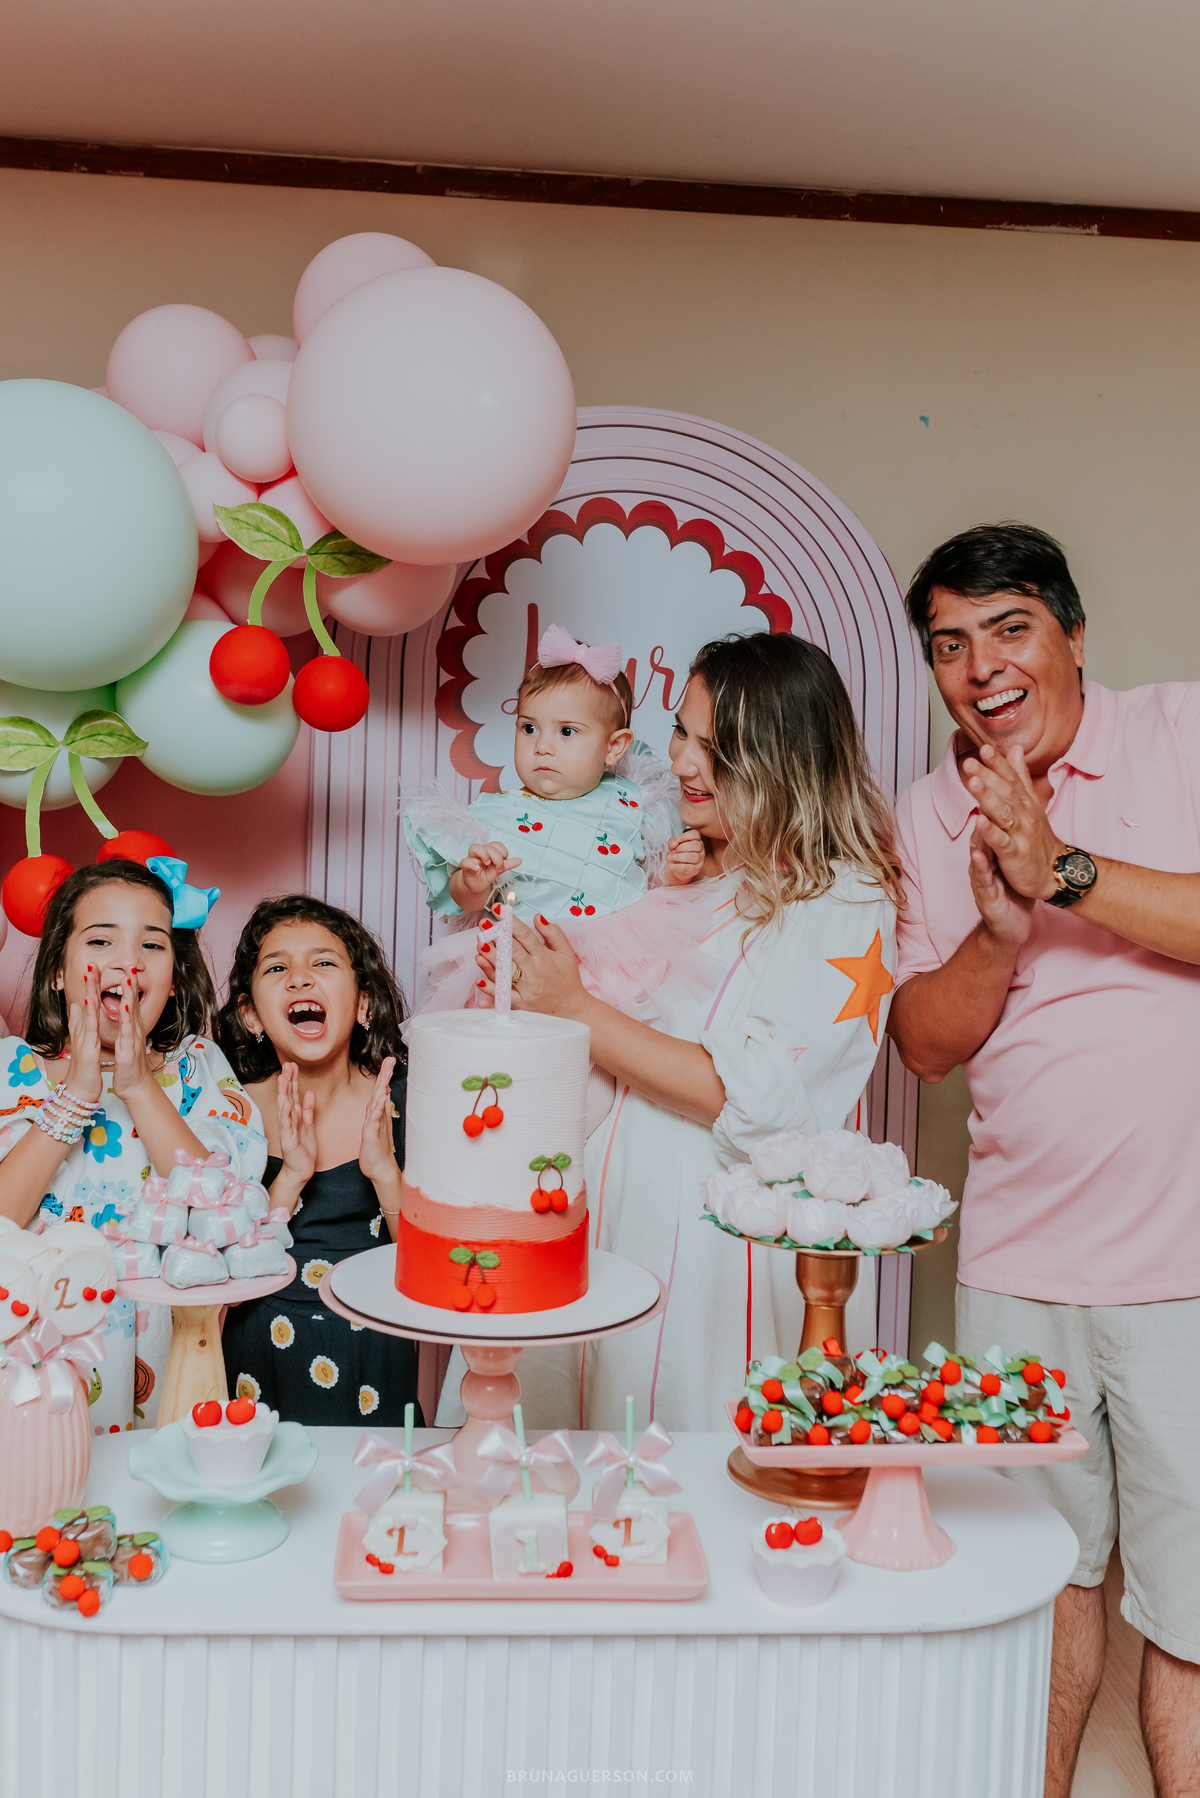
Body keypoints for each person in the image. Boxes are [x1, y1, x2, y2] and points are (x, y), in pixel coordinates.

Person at [887, 522, 1200, 1798]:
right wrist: (1002, 926)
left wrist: (1062, 867)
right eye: (950, 644)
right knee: (1038, 1582)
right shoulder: (923, 807)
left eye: (1010, 627)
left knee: (1190, 1607)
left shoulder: (1183, 730)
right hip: (1020, 1265)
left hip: (1190, 1271)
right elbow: (921, 1044)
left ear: (1073, 634)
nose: (982, 666)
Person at [471, 631, 901, 1432]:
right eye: (683, 732)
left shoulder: (842, 897)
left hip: (710, 1245)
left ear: (783, 755)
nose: (682, 763)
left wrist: (576, 1009)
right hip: (606, 1212)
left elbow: (765, 1103)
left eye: (716, 747)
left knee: (678, 1468)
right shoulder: (698, 873)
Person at [0, 860, 265, 1432]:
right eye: (101, 939)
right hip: (35, 1360)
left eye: (152, 943)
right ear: (57, 974)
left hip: (167, 1359)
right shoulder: (10, 1070)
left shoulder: (198, 1071)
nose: (128, 960)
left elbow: (222, 1209)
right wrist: (75, 1097)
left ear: (172, 976)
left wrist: (140, 1087)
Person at [403, 624, 701, 1023]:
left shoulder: (632, 803)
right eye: (529, 728)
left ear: (614, 746)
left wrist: (674, 872)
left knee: (611, 1054)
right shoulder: (493, 815)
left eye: (566, 732)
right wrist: (473, 881)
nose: (542, 745)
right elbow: (462, 901)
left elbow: (643, 878)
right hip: (523, 966)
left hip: (614, 962)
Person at [216, 895, 421, 1426]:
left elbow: (430, 1275)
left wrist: (384, 1174)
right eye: (278, 967)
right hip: (258, 1352)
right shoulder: (228, 1109)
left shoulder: (407, 1101)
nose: (300, 979)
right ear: (250, 1014)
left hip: (375, 1353)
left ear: (364, 1005)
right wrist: (290, 1178)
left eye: (323, 963)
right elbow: (220, 1284)